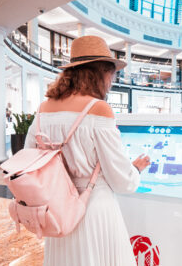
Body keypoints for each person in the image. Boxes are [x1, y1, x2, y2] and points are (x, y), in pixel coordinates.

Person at [24, 35, 150, 266]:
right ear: (100, 72)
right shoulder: (98, 109)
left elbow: (29, 158)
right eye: (112, 73)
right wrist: (135, 169)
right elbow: (121, 180)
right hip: (93, 209)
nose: (112, 79)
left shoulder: (44, 108)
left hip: (58, 210)